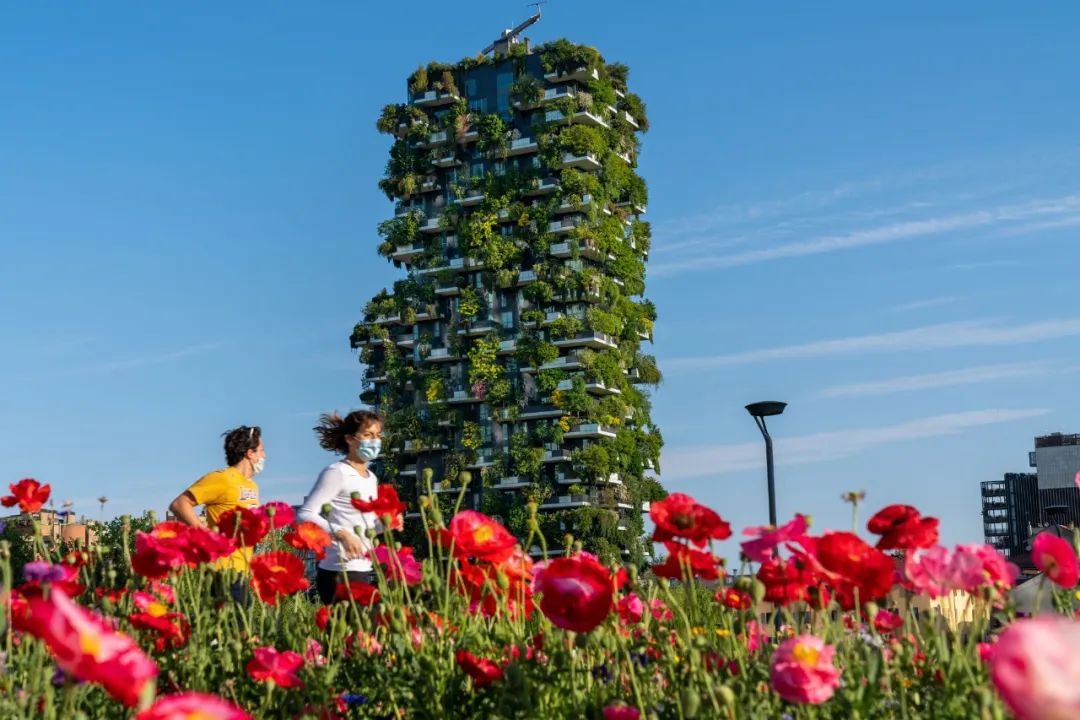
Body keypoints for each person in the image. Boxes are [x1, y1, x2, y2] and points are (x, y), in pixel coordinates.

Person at [169, 425, 265, 600]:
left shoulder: (252, 486)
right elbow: (179, 504)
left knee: (242, 624)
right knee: (237, 625)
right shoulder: (222, 478)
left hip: (243, 569)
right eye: (261, 450)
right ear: (250, 454)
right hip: (222, 569)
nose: (264, 456)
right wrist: (206, 536)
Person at [297, 410, 383, 604]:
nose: (375, 441)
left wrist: (386, 524)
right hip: (338, 572)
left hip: (364, 568)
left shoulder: (371, 478)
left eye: (378, 435)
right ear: (350, 439)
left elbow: (367, 527)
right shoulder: (337, 473)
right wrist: (341, 534)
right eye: (368, 435)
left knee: (368, 633)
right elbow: (305, 514)